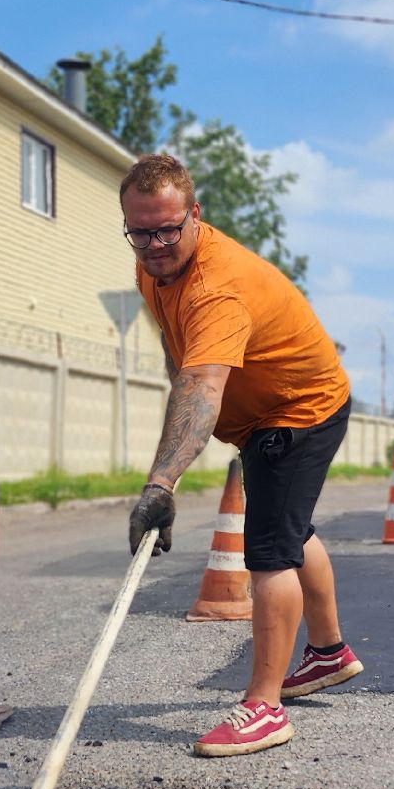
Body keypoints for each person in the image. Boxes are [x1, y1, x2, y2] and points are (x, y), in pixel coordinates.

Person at [121, 153, 363, 758]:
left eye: (167, 229)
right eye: (140, 230)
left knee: (268, 551)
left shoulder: (216, 287)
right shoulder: (150, 269)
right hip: (264, 415)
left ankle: (264, 707)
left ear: (195, 216)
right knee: (290, 526)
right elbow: (182, 360)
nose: (153, 244)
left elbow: (203, 387)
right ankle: (329, 653)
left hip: (299, 408)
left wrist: (161, 484)